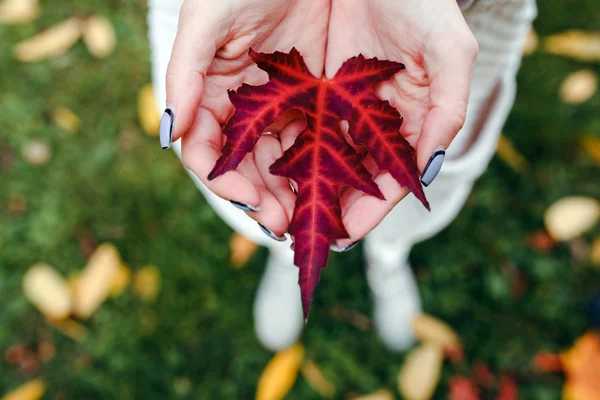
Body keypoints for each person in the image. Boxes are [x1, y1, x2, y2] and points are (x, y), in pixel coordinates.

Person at [148, 0, 537, 351]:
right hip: (249, 26)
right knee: (248, 170)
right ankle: (286, 250)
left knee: (415, 159)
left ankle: (388, 254)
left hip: (442, 19)